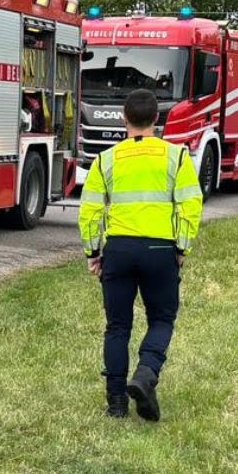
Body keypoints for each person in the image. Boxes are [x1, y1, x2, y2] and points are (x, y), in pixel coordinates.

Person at [78, 88, 203, 422]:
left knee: (117, 326)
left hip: (119, 249)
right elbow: (190, 206)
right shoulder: (176, 157)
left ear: (124, 118)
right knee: (161, 318)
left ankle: (116, 402)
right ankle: (146, 373)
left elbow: (89, 211)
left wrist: (93, 251)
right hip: (160, 249)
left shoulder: (106, 159)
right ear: (157, 119)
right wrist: (182, 247)